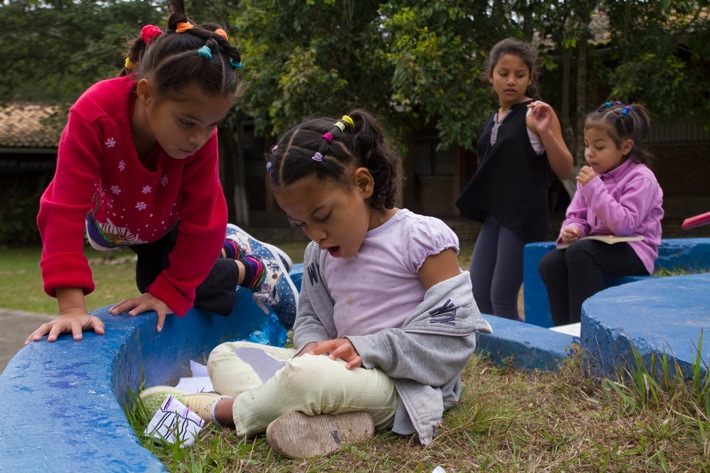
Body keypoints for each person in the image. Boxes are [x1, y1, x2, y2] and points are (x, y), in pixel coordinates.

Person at [139, 110, 493, 458]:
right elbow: (309, 318)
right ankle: (319, 420)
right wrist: (310, 346)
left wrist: (366, 347)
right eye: (301, 224)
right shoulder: (318, 256)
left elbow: (455, 337)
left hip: (400, 385)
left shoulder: (422, 239)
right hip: (334, 373)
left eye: (322, 216)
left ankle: (221, 410)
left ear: (363, 184)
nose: (317, 234)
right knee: (225, 355)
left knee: (307, 379)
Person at [25, 0, 298, 345]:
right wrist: (71, 308)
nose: (198, 138)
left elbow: (203, 218)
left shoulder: (199, 137)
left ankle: (255, 268)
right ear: (146, 93)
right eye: (187, 122)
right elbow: (62, 208)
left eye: (212, 125)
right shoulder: (94, 116)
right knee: (159, 278)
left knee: (164, 286)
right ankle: (227, 249)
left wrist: (169, 293)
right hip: (123, 221)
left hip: (168, 220)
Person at [455, 37, 574, 320]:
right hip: (495, 215)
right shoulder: (492, 118)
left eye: (520, 75)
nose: (511, 81)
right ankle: (499, 356)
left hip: (523, 216)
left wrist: (546, 132)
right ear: (490, 76)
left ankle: (518, 359)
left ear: (530, 77)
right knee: (479, 294)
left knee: (502, 297)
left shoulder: (537, 114)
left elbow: (566, 169)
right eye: (504, 73)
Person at [538, 102, 664, 326]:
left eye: (599, 147)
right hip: (599, 247)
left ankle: (587, 330)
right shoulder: (592, 177)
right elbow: (577, 214)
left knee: (581, 252)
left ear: (625, 147)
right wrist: (573, 229)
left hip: (635, 250)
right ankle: (565, 329)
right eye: (587, 145)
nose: (590, 153)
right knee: (550, 263)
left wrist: (594, 188)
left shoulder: (641, 178)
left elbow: (625, 224)